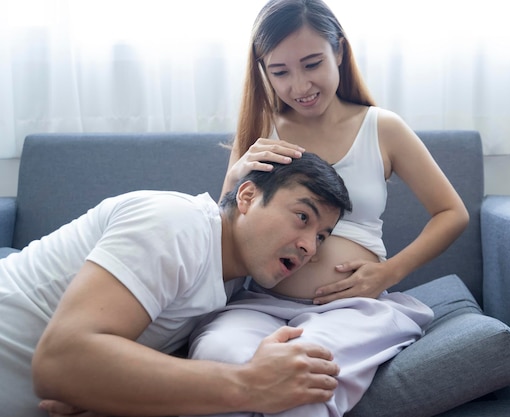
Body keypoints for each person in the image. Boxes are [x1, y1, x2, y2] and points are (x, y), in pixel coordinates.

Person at [186, 0, 470, 416]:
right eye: (280, 72)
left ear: (339, 51)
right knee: (217, 354)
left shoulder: (382, 127)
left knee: (304, 374)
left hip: (351, 308)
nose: (299, 86)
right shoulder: (262, 131)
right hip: (259, 303)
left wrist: (389, 273)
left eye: (312, 63)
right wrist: (235, 177)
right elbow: (228, 226)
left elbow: (451, 212)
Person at [0, 152, 352, 417]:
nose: (310, 246)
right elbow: (61, 361)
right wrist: (250, 384)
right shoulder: (176, 224)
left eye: (321, 236)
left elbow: (98, 370)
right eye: (302, 217)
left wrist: (106, 393)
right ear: (246, 197)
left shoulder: (231, 285)